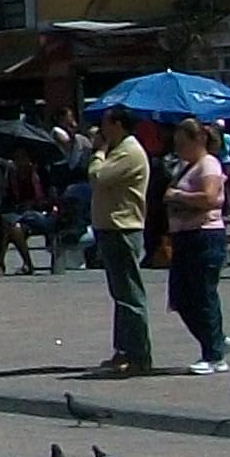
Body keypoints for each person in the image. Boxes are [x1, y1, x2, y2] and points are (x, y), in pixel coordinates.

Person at [162, 116, 230, 375]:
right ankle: (216, 339)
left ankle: (214, 356)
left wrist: (179, 196)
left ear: (199, 140)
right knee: (180, 298)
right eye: (176, 144)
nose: (179, 149)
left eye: (183, 143)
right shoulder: (186, 166)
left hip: (204, 236)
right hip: (184, 236)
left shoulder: (208, 164)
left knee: (203, 295)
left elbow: (211, 198)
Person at [86, 108, 154, 375]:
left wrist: (99, 152)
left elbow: (98, 176)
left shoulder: (129, 152)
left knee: (130, 295)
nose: (101, 129)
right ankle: (123, 350)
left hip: (123, 229)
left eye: (105, 124)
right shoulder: (119, 150)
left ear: (118, 124)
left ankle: (139, 355)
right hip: (110, 228)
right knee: (120, 295)